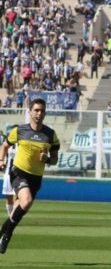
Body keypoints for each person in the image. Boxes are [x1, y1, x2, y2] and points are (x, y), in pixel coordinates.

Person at [0, 99, 60, 254]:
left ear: (45, 113)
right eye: (36, 110)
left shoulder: (50, 135)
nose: (39, 113)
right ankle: (6, 234)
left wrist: (46, 159)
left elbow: (54, 159)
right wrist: (1, 159)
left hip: (36, 178)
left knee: (19, 208)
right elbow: (5, 145)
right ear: (30, 111)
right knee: (26, 201)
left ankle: (5, 231)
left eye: (42, 111)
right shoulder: (20, 130)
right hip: (18, 173)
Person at [1, 136, 16, 216]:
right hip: (8, 173)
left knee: (16, 196)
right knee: (8, 196)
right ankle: (11, 216)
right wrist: (2, 163)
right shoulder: (6, 145)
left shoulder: (24, 145)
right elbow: (3, 156)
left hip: (20, 174)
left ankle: (14, 217)